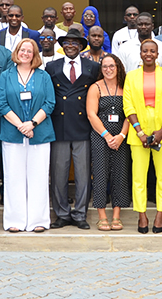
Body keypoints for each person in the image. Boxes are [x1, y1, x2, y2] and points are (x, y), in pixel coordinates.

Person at [0, 38, 55, 232]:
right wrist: (21, 125)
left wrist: (33, 123)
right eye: (22, 50)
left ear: (35, 54)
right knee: (13, 178)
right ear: (16, 52)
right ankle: (15, 221)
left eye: (30, 51)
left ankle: (38, 220)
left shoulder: (43, 76)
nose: (25, 54)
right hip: (13, 133)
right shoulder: (6, 76)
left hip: (40, 134)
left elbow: (49, 103)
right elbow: (1, 103)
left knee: (38, 178)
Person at [46, 28, 100, 230]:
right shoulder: (52, 67)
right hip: (59, 126)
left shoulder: (92, 67)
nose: (70, 45)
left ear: (81, 46)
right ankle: (61, 213)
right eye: (66, 42)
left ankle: (80, 214)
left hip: (83, 126)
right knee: (59, 173)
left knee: (83, 174)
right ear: (61, 45)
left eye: (74, 42)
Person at [124, 40, 162, 233]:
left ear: (157, 54)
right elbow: (128, 105)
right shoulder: (131, 76)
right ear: (140, 53)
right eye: (145, 51)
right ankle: (142, 215)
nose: (148, 54)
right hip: (137, 131)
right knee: (139, 177)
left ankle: (160, 215)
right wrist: (139, 131)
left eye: (152, 51)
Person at [86, 54, 130, 231]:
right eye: (104, 66)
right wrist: (106, 135)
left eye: (112, 66)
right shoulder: (95, 88)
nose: (108, 69)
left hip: (121, 136)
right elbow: (91, 114)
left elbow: (130, 113)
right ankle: (102, 215)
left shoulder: (125, 87)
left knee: (120, 174)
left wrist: (121, 135)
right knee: (100, 174)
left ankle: (117, 216)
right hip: (100, 136)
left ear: (118, 67)